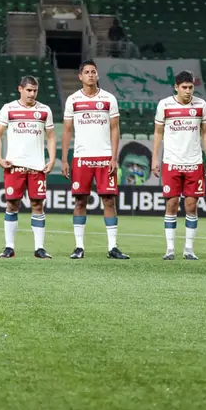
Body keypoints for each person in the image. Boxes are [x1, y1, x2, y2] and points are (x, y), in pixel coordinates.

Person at [61, 60, 129, 260]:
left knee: (109, 200)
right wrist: (64, 159)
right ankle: (79, 247)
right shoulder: (73, 100)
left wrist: (114, 157)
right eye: (87, 72)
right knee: (80, 200)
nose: (91, 75)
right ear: (80, 76)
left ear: (97, 75)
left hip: (104, 156)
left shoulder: (109, 99)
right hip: (82, 156)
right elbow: (66, 130)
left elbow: (115, 128)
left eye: (94, 72)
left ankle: (112, 247)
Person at [151, 70, 206, 260]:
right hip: (172, 162)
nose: (188, 91)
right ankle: (170, 249)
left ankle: (188, 249)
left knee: (191, 205)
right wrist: (155, 158)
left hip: (194, 162)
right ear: (176, 87)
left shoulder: (201, 105)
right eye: (184, 87)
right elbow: (158, 133)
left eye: (191, 87)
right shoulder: (165, 105)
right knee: (171, 203)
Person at [0, 75, 56, 259]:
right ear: (20, 89)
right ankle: (9, 247)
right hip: (15, 166)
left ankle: (39, 248)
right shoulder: (9, 109)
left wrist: (52, 159)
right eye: (29, 90)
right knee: (12, 204)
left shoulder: (44, 110)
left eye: (35, 90)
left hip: (36, 167)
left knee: (37, 204)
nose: (32, 94)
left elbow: (51, 136)